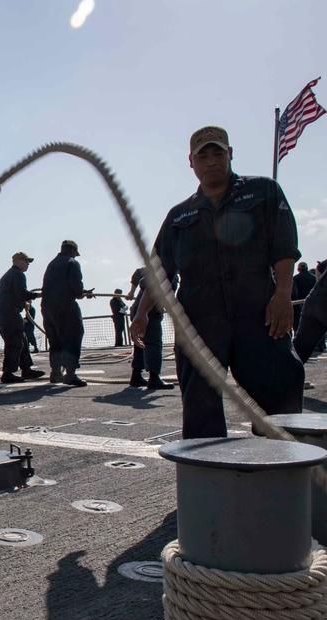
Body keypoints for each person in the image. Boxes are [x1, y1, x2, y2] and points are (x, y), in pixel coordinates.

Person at [130, 126, 303, 438]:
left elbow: (284, 247)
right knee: (200, 408)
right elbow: (160, 272)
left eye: (217, 153)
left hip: (258, 313)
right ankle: (208, 479)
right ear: (191, 162)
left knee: (280, 394)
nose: (211, 161)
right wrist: (142, 313)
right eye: (203, 156)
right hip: (199, 319)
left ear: (230, 154)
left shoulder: (264, 191)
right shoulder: (179, 216)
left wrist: (283, 295)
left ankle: (282, 474)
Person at [40, 240, 92, 387]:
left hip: (47, 307)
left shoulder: (51, 264)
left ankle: (56, 373)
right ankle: (70, 374)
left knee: (55, 340)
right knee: (73, 336)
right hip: (65, 307)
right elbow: (76, 289)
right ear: (72, 251)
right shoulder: (72, 263)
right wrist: (82, 293)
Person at [0, 252, 45, 383]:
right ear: (18, 261)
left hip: (4, 313)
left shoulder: (10, 275)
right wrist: (39, 295)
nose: (28, 264)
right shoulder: (18, 275)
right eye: (26, 261)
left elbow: (12, 295)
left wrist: (23, 302)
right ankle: (8, 373)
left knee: (22, 339)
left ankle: (26, 369)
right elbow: (22, 293)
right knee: (15, 343)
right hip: (8, 314)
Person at [128, 271, 175, 389]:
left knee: (140, 342)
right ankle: (154, 377)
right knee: (154, 342)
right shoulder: (170, 272)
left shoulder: (150, 270)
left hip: (138, 305)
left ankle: (136, 375)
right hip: (150, 308)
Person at [293, 261, 316, 334]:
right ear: (307, 268)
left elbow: (294, 293)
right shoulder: (314, 278)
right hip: (312, 305)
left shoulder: (295, 278)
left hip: (299, 306)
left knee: (298, 330)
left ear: (298, 269)